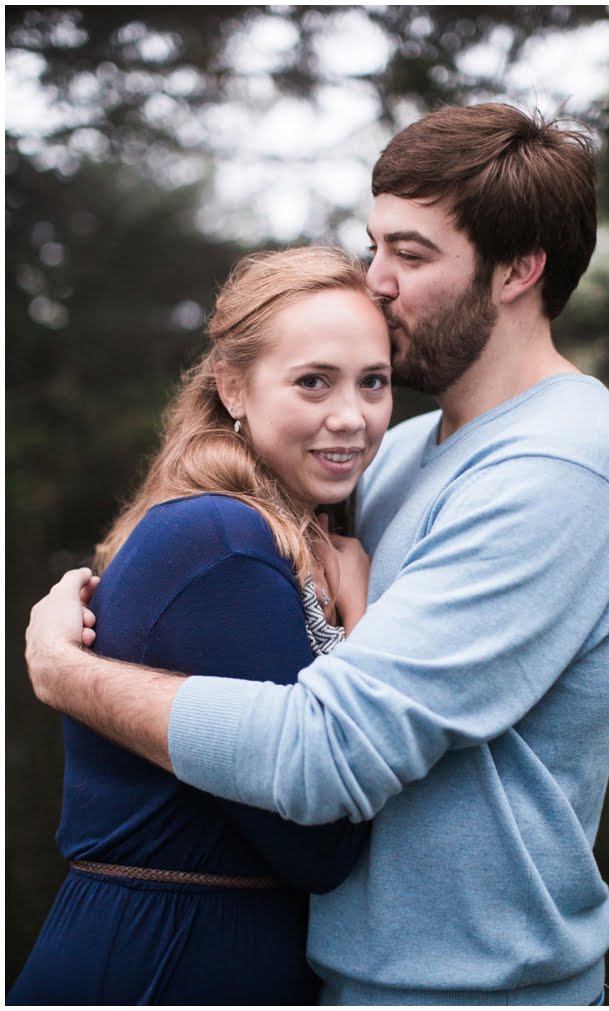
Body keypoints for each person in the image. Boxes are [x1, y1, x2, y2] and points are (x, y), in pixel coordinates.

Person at [25, 103, 609, 1005]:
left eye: (412, 254)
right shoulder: (395, 454)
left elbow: (326, 750)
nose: (377, 282)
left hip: (470, 989)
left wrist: (70, 674)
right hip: (343, 975)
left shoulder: (562, 464)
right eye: (375, 246)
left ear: (519, 270)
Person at [10, 246, 392, 1003]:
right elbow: (320, 843)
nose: (351, 416)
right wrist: (364, 617)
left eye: (373, 381)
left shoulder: (266, 528)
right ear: (232, 386)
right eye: (313, 381)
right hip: (162, 962)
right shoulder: (219, 538)